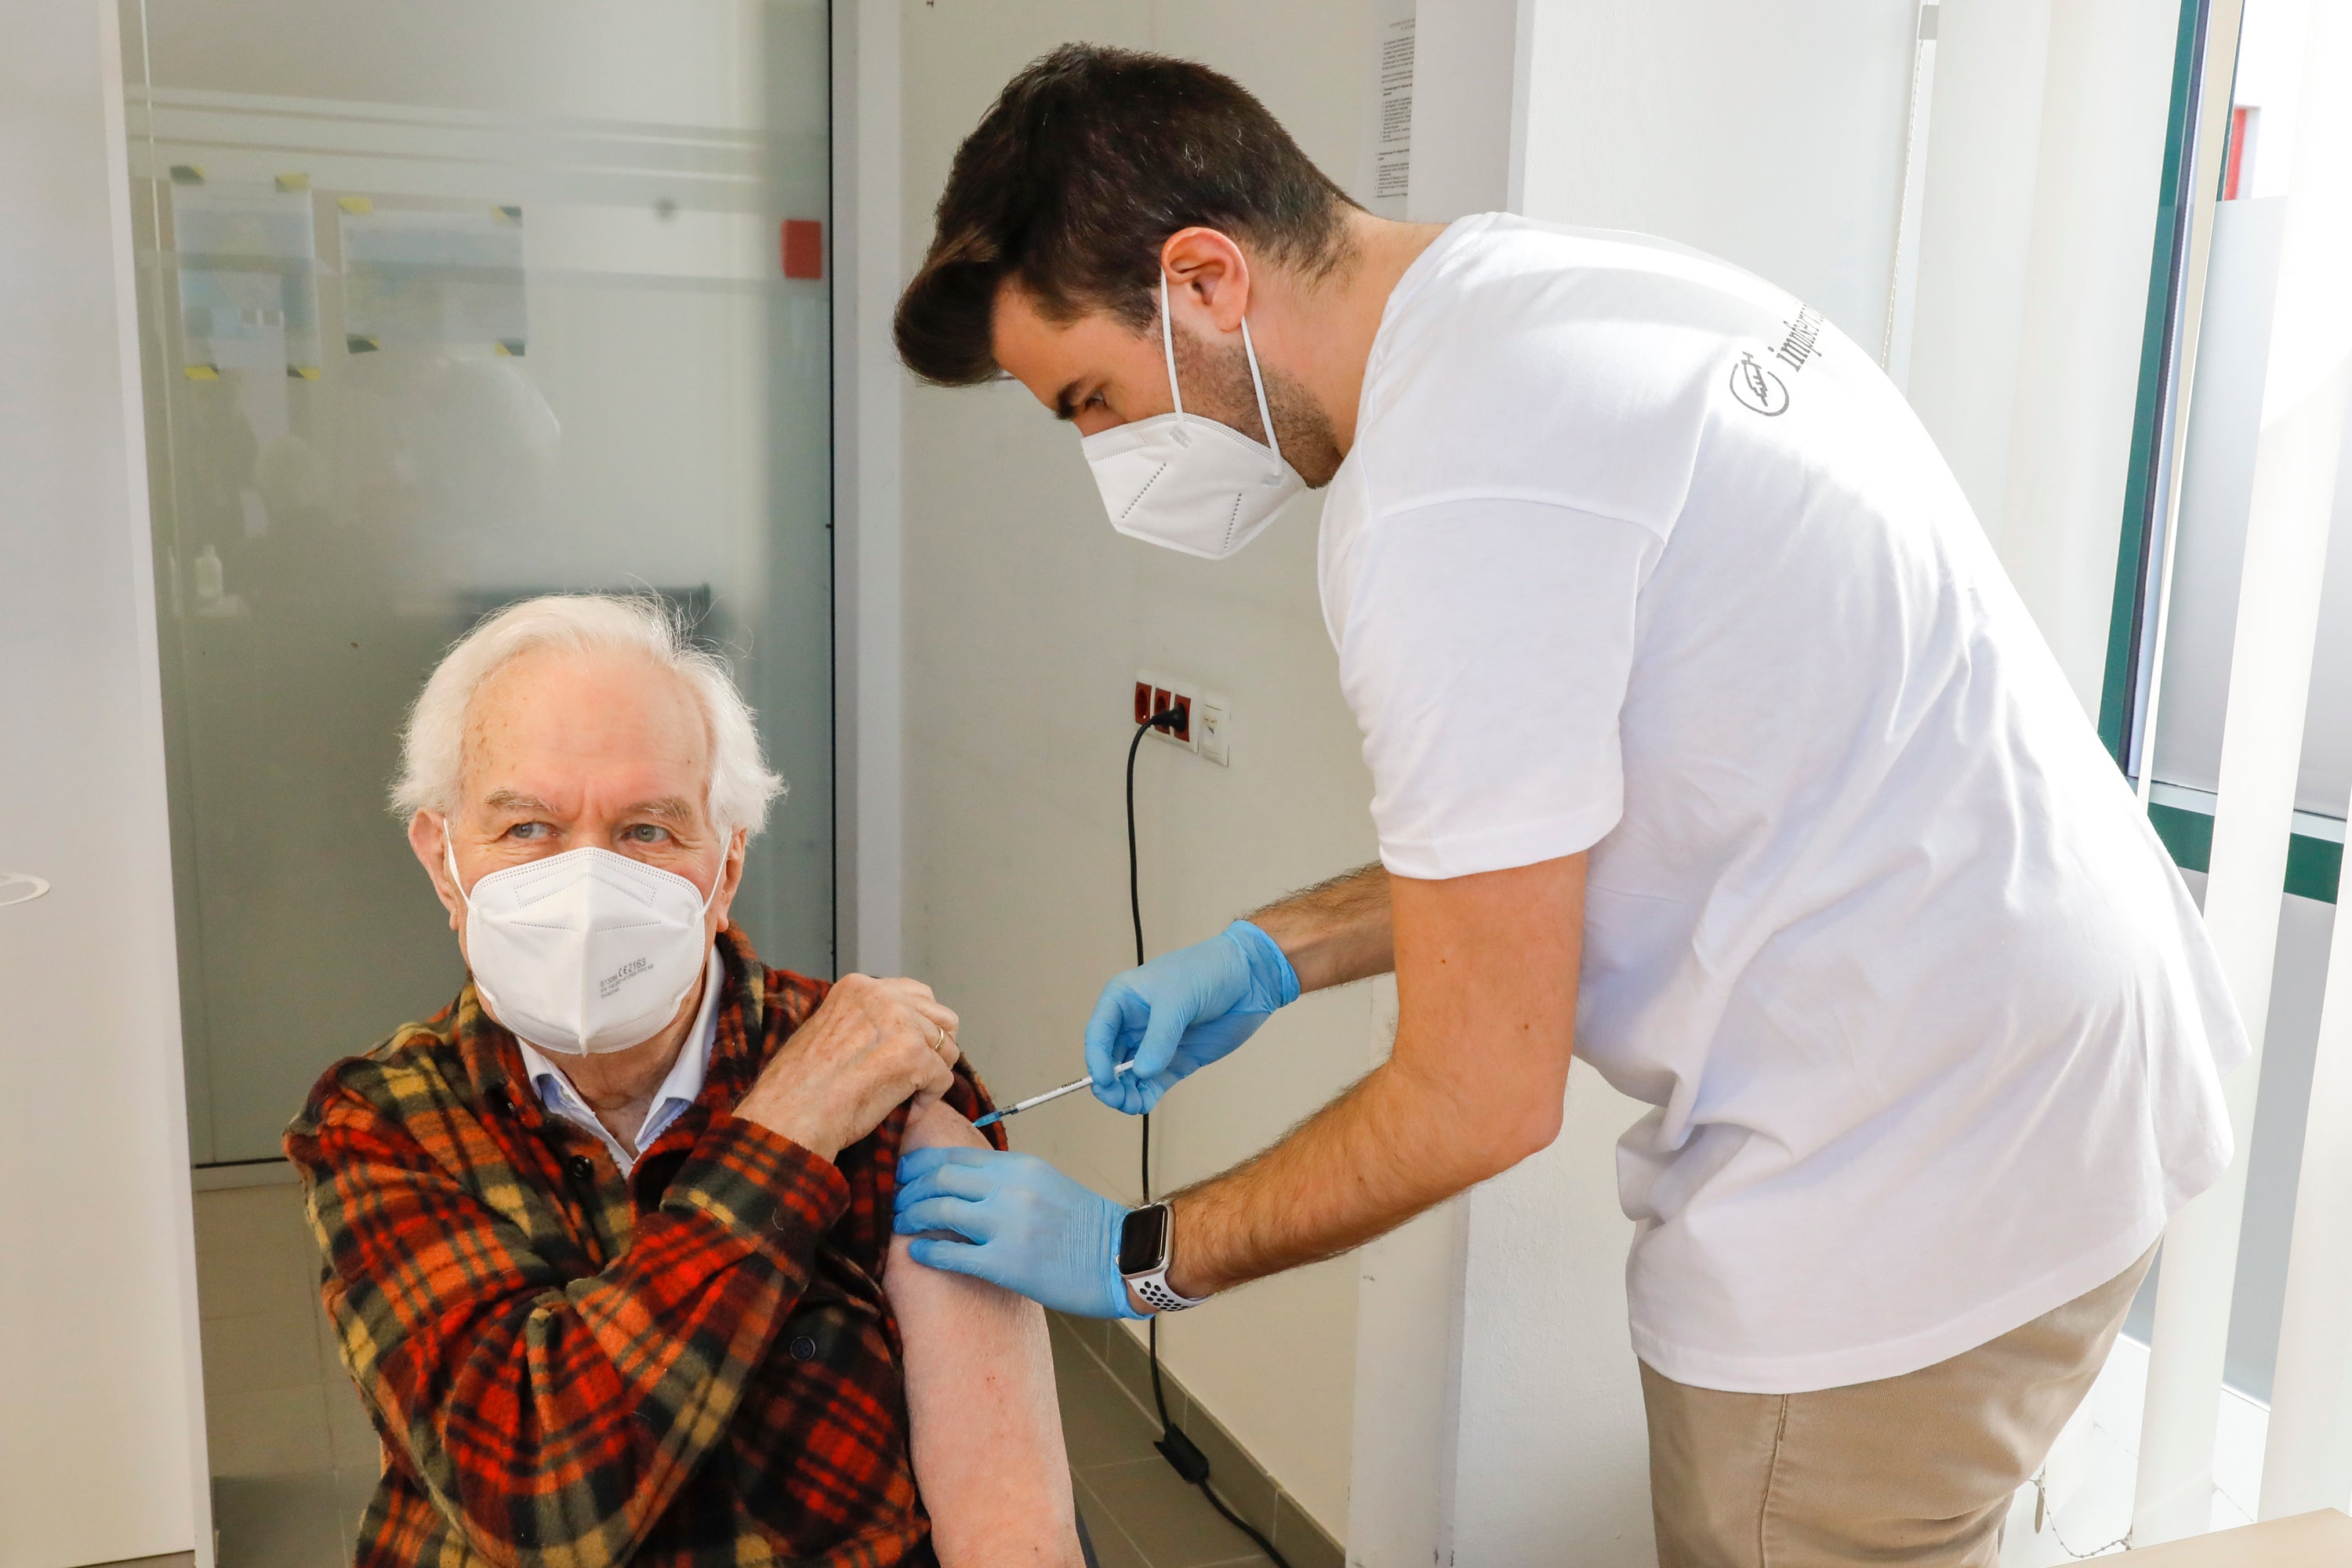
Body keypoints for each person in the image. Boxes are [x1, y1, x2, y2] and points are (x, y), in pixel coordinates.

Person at [884, 44, 2245, 1567]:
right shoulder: (1552, 297)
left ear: (1202, 278)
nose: (1102, 455)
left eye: (1091, 399)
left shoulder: (1442, 506)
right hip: (2078, 1072)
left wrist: (1140, 1252)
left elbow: (1477, 1095)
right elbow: (1586, 820)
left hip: (1905, 1180)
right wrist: (1274, 950)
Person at [285, 593, 1087, 1568]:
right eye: (529, 826)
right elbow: (537, 1502)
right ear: (444, 860)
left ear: (727, 865)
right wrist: (789, 1127)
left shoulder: (883, 1069)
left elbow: (1008, 1529)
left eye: (648, 831)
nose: (586, 886)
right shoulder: (383, 1117)